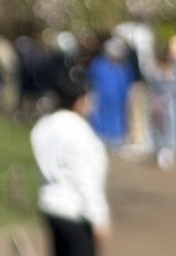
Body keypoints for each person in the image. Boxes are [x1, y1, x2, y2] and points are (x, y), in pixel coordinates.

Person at [31, 70, 111, 255]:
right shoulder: (78, 131)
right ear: (79, 101)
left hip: (50, 204)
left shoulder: (45, 125)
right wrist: (98, 216)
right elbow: (84, 178)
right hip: (74, 210)